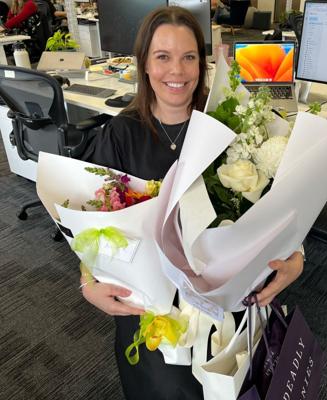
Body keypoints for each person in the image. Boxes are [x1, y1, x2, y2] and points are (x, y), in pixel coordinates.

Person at [81, 6, 304, 399]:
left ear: (202, 64)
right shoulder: (119, 134)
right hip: (154, 299)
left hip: (226, 295)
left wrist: (296, 255)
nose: (177, 71)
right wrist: (87, 282)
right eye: (162, 57)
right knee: (164, 386)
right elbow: (91, 222)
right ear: (144, 64)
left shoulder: (229, 123)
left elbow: (277, 202)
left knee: (237, 381)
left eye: (188, 57)